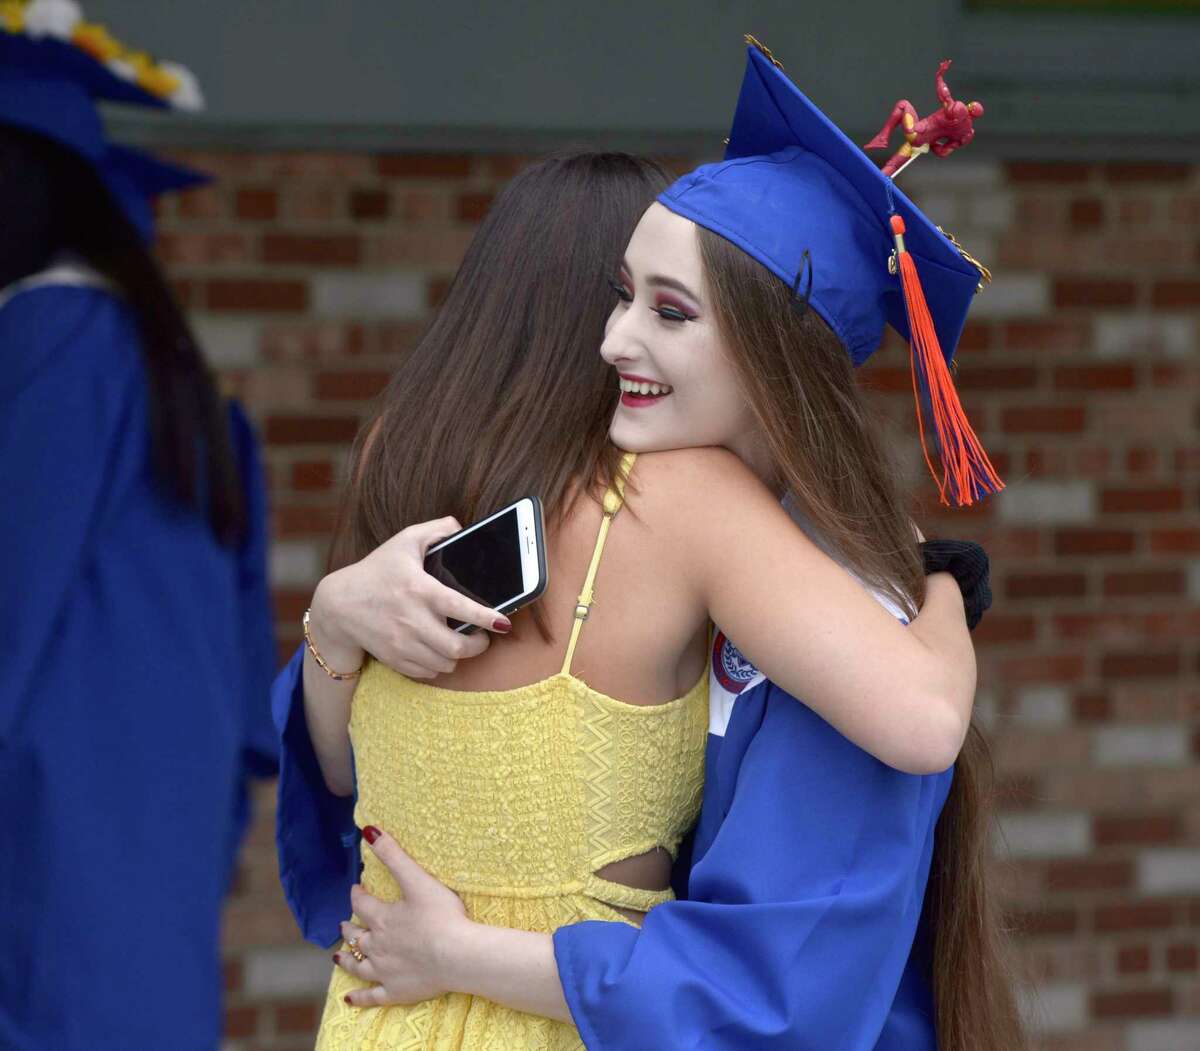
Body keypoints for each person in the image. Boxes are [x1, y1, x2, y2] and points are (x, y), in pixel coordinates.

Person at [309, 41, 1024, 1051]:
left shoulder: (842, 602)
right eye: (621, 293)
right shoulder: (705, 541)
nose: (610, 341)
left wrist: (933, 582)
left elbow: (783, 986)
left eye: (669, 310)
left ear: (778, 358)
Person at [0, 6, 276, 1049]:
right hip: (158, 810)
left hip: (54, 808)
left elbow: (11, 592)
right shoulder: (176, 376)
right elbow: (244, 679)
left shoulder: (55, 331)